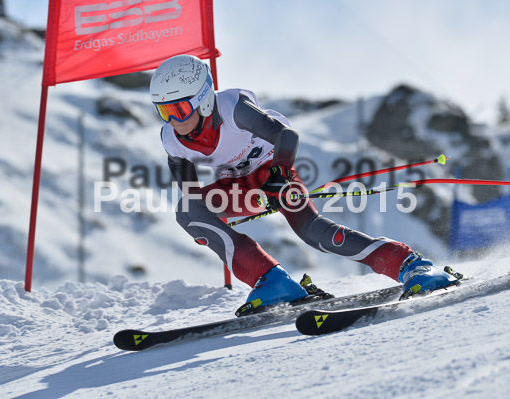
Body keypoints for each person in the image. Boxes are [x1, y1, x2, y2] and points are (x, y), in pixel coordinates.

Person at [149, 54, 458, 312]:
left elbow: (286, 136)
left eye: (179, 109)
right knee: (187, 210)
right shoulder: (172, 139)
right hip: (239, 187)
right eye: (164, 111)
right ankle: (271, 281)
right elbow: (189, 190)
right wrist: (212, 217)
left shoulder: (234, 108)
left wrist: (279, 177)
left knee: (313, 232)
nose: (173, 120)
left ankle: (412, 266)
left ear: (203, 99)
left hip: (277, 170)